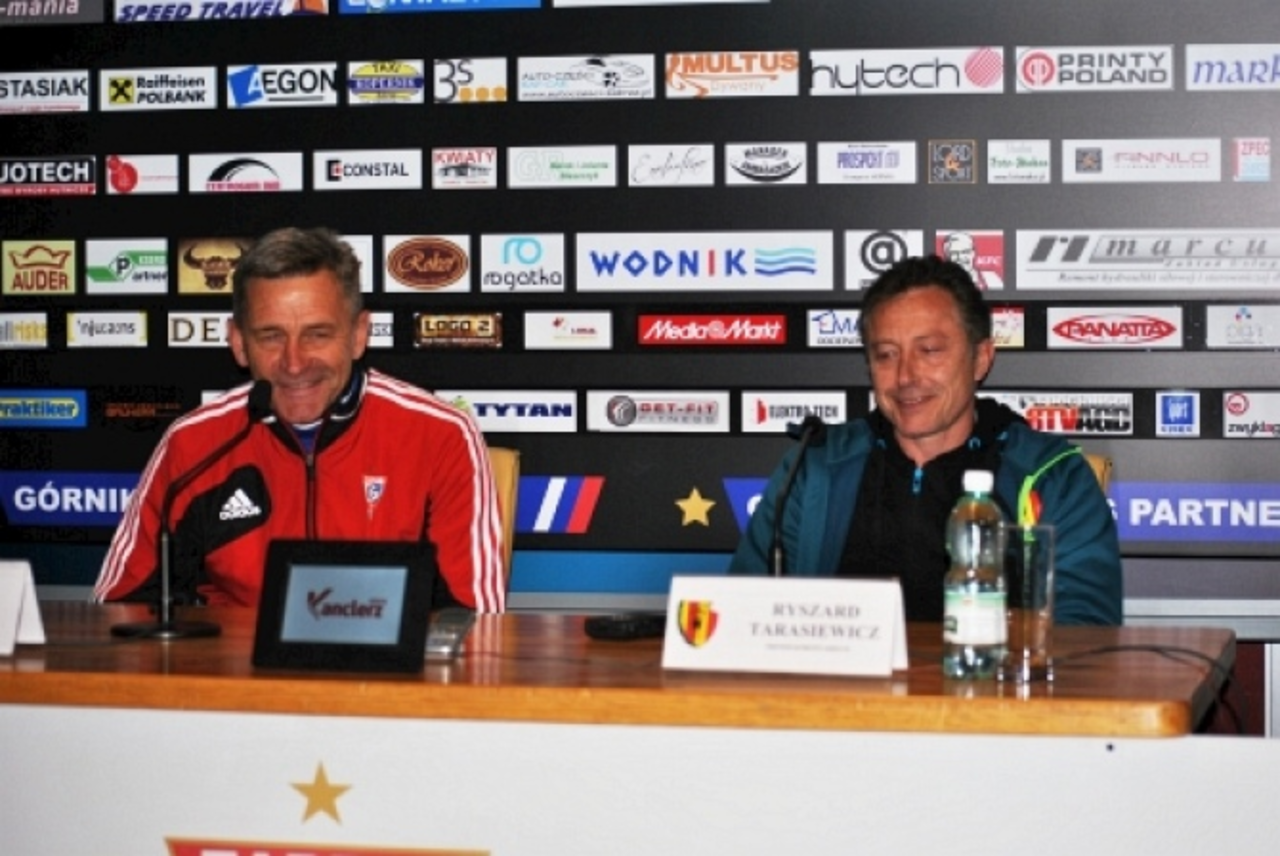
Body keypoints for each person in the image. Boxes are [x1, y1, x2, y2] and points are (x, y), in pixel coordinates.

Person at [94, 226, 506, 612]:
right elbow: (121, 609)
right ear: (238, 343)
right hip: (233, 665)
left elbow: (474, 623)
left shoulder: (439, 436)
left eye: (317, 334)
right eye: (271, 336)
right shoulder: (195, 443)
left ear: (359, 335)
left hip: (388, 665)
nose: (294, 363)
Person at [730, 254, 1121, 625]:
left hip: (990, 675)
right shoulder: (815, 466)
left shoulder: (1052, 476)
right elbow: (745, 614)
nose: (905, 376)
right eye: (886, 355)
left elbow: (1084, 633)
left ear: (981, 358)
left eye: (929, 350)